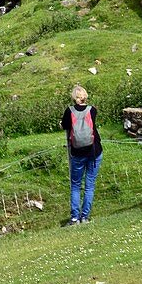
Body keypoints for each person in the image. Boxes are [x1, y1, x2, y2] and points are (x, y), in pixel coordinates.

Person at [61, 85, 102, 225]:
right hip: (94, 151)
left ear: (74, 97)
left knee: (76, 185)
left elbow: (65, 125)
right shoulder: (92, 110)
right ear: (85, 96)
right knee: (90, 185)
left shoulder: (69, 111)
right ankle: (85, 217)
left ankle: (74, 218)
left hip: (78, 153)